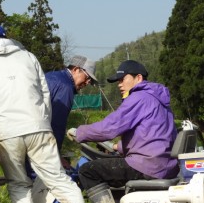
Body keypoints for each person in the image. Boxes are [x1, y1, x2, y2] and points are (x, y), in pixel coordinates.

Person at [0, 24, 84, 203]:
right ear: (7, 38)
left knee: (19, 184)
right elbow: (44, 94)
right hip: (38, 126)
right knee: (59, 180)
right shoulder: (29, 57)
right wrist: (43, 122)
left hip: (6, 132)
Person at [67, 60, 179, 203]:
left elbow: (109, 128)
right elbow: (152, 137)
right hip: (164, 165)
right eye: (118, 81)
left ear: (138, 78)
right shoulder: (158, 100)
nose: (120, 84)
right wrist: (115, 147)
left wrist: (80, 132)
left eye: (123, 79)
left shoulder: (139, 97)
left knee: (88, 171)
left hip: (147, 166)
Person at [31, 55, 98, 202]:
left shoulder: (51, 77)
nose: (87, 83)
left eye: (90, 81)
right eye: (87, 77)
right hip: (37, 141)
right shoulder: (65, 87)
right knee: (59, 186)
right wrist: (56, 156)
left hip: (22, 133)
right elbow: (57, 125)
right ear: (75, 69)